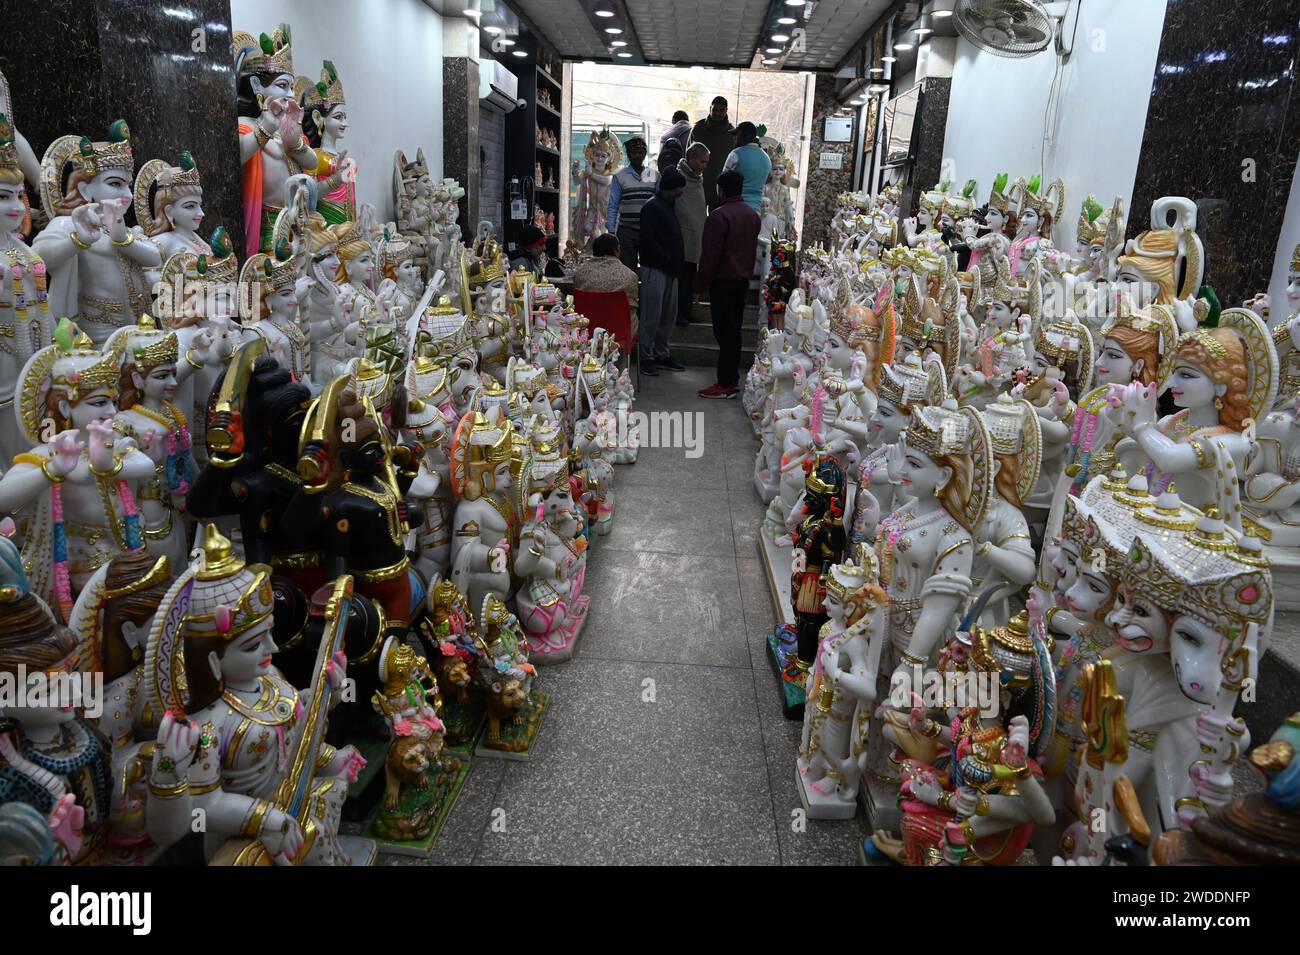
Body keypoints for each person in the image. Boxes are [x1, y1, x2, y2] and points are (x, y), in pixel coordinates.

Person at [695, 170, 759, 399]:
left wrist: (699, 285)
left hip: (723, 282)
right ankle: (731, 379)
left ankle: (725, 383)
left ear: (721, 190)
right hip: (742, 282)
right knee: (734, 332)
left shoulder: (718, 216)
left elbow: (710, 256)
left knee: (724, 333)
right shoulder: (752, 215)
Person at [636, 167, 687, 377]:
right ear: (670, 188)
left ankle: (662, 354)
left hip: (670, 269)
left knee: (667, 315)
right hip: (655, 268)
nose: (681, 192)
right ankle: (646, 356)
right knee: (651, 315)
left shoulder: (668, 205)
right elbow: (647, 239)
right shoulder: (652, 207)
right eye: (679, 188)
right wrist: (666, 258)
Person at [607, 136, 657, 271]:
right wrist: (611, 231)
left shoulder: (653, 175)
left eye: (640, 152)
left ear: (645, 154)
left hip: (649, 231)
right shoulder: (620, 176)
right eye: (634, 153)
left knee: (649, 271)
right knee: (628, 271)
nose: (637, 156)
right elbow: (613, 205)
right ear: (628, 155)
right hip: (626, 232)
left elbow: (659, 204)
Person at [675, 142, 710, 327]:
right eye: (702, 162)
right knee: (682, 280)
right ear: (692, 159)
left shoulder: (697, 177)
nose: (705, 166)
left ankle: (687, 311)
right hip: (682, 237)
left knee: (690, 277)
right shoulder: (679, 176)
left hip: (696, 235)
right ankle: (679, 313)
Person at [574, 232, 639, 314]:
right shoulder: (630, 276)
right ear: (616, 250)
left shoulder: (580, 274)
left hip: (588, 324)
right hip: (621, 325)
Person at [689, 96, 736, 210]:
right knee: (697, 222)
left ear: (726, 111)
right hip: (698, 184)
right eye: (715, 109)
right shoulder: (698, 129)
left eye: (721, 110)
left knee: (719, 223)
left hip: (721, 187)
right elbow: (688, 157)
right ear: (710, 109)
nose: (718, 113)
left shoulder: (732, 134)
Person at [723, 122, 773, 216]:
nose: (734, 138)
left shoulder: (735, 154)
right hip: (756, 211)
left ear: (743, 136)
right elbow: (766, 181)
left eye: (736, 135)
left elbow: (723, 181)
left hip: (735, 210)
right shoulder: (766, 158)